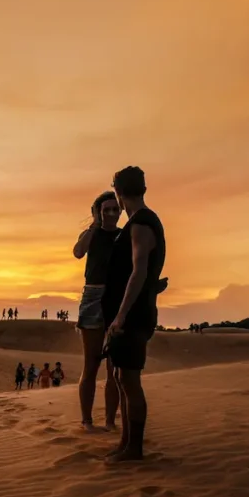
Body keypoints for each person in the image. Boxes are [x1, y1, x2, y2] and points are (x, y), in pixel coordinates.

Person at [103, 166, 166, 463]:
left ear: (118, 190)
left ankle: (134, 449)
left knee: (129, 380)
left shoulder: (141, 223)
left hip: (132, 315)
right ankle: (126, 443)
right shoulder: (142, 222)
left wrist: (121, 315)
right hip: (132, 311)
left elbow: (139, 270)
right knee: (120, 377)